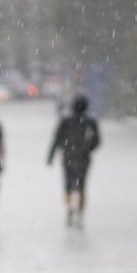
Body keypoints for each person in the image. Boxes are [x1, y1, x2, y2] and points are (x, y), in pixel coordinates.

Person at [47, 94, 102, 227]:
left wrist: (51, 155)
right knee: (81, 185)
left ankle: (70, 209)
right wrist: (88, 148)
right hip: (83, 158)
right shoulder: (90, 121)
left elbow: (57, 139)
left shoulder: (66, 121)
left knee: (68, 185)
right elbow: (97, 140)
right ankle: (80, 214)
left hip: (68, 157)